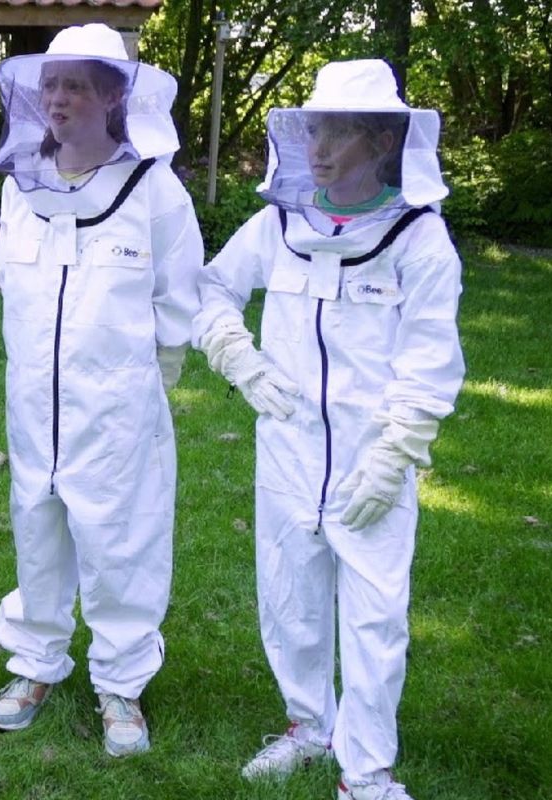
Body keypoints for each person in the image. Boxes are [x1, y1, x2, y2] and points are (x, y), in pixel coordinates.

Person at [194, 59, 463, 800]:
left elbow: (431, 359)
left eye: (339, 130)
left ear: (380, 140)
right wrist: (238, 359)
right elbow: (212, 287)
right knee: (288, 594)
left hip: (369, 459)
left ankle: (365, 770)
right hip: (284, 445)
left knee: (375, 615)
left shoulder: (419, 241)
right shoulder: (277, 224)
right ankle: (306, 727)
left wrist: (395, 454)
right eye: (314, 127)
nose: (319, 145)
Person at [0, 23, 202, 757]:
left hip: (117, 407)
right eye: (50, 83)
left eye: (76, 83)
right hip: (31, 402)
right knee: (37, 529)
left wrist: (151, 387)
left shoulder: (154, 189)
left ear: (114, 95)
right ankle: (35, 664)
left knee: (120, 540)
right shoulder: (22, 189)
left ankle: (120, 682)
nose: (59, 97)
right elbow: (14, 290)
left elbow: (178, 299)